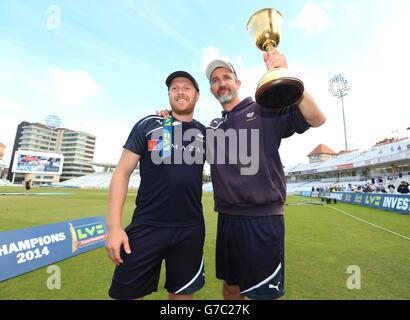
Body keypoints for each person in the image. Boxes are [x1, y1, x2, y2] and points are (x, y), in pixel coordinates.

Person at [205, 48, 326, 300]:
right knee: (230, 288)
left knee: (266, 296)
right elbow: (179, 142)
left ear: (238, 83)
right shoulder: (213, 128)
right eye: (214, 81)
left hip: (262, 219)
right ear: (211, 90)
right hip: (227, 220)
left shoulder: (263, 106)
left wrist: (284, 74)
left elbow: (317, 119)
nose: (221, 83)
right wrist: (167, 119)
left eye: (226, 77)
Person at [106, 71, 206, 300]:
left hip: (189, 229)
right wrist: (114, 227)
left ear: (197, 96)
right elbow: (122, 173)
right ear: (169, 94)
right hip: (147, 226)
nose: (180, 91)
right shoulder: (149, 124)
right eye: (175, 87)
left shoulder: (205, 133)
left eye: (187, 87)